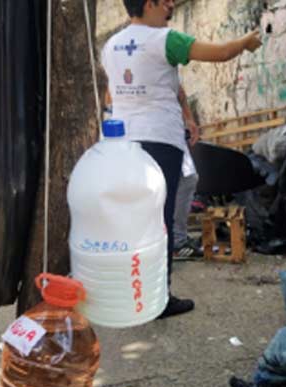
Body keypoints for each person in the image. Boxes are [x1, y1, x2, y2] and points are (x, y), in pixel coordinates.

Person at [101, 0, 262, 318]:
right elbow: (221, 53)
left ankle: (128, 293)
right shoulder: (166, 39)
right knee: (160, 219)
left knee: (132, 217)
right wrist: (246, 41)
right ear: (149, 4)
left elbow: (111, 94)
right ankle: (157, 299)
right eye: (165, 1)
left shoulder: (111, 45)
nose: (171, 5)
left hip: (121, 142)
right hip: (160, 141)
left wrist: (186, 115)